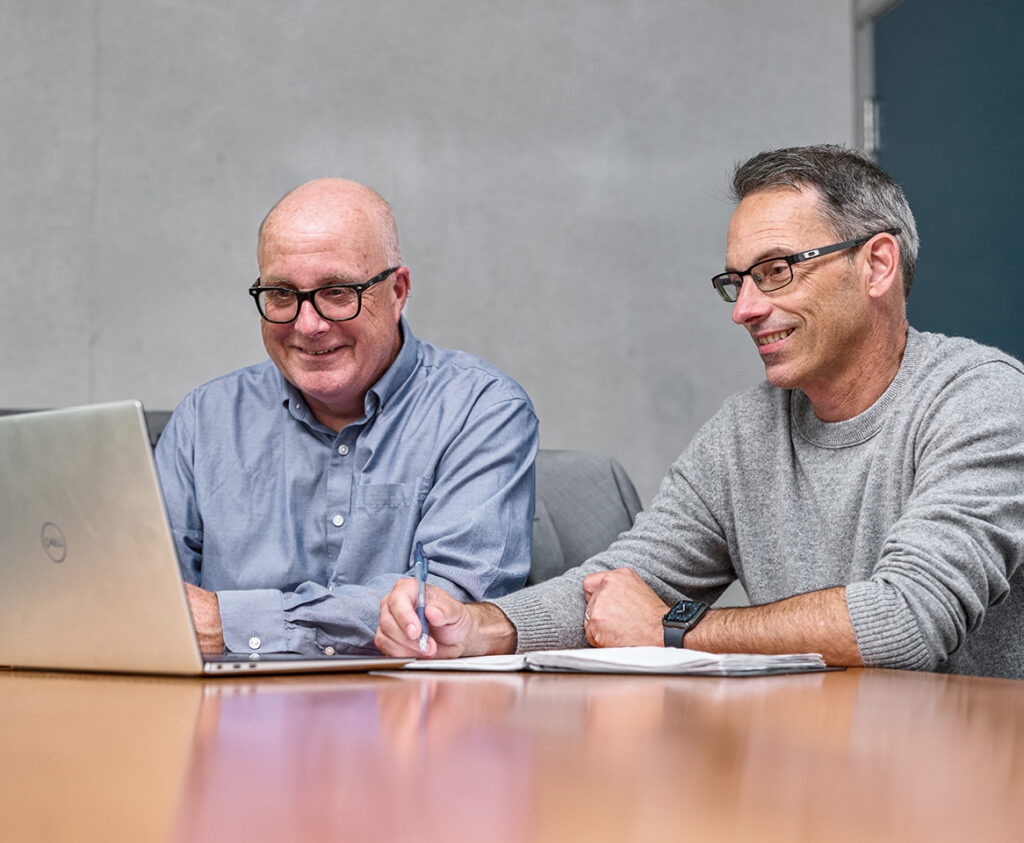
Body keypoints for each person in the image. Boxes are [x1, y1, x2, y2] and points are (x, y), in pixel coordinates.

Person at [376, 145, 1024, 679]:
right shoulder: (748, 429)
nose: (744, 309)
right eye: (735, 282)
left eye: (775, 271)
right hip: (816, 770)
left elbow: (907, 621)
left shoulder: (984, 401)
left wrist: (673, 628)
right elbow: (622, 582)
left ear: (876, 264)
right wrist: (480, 626)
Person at [155, 178, 538, 656]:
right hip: (225, 718)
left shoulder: (482, 412)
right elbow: (150, 603)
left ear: (397, 292)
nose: (307, 324)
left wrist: (229, 622)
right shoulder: (202, 420)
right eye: (280, 294)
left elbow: (448, 613)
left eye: (337, 292)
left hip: (410, 719)